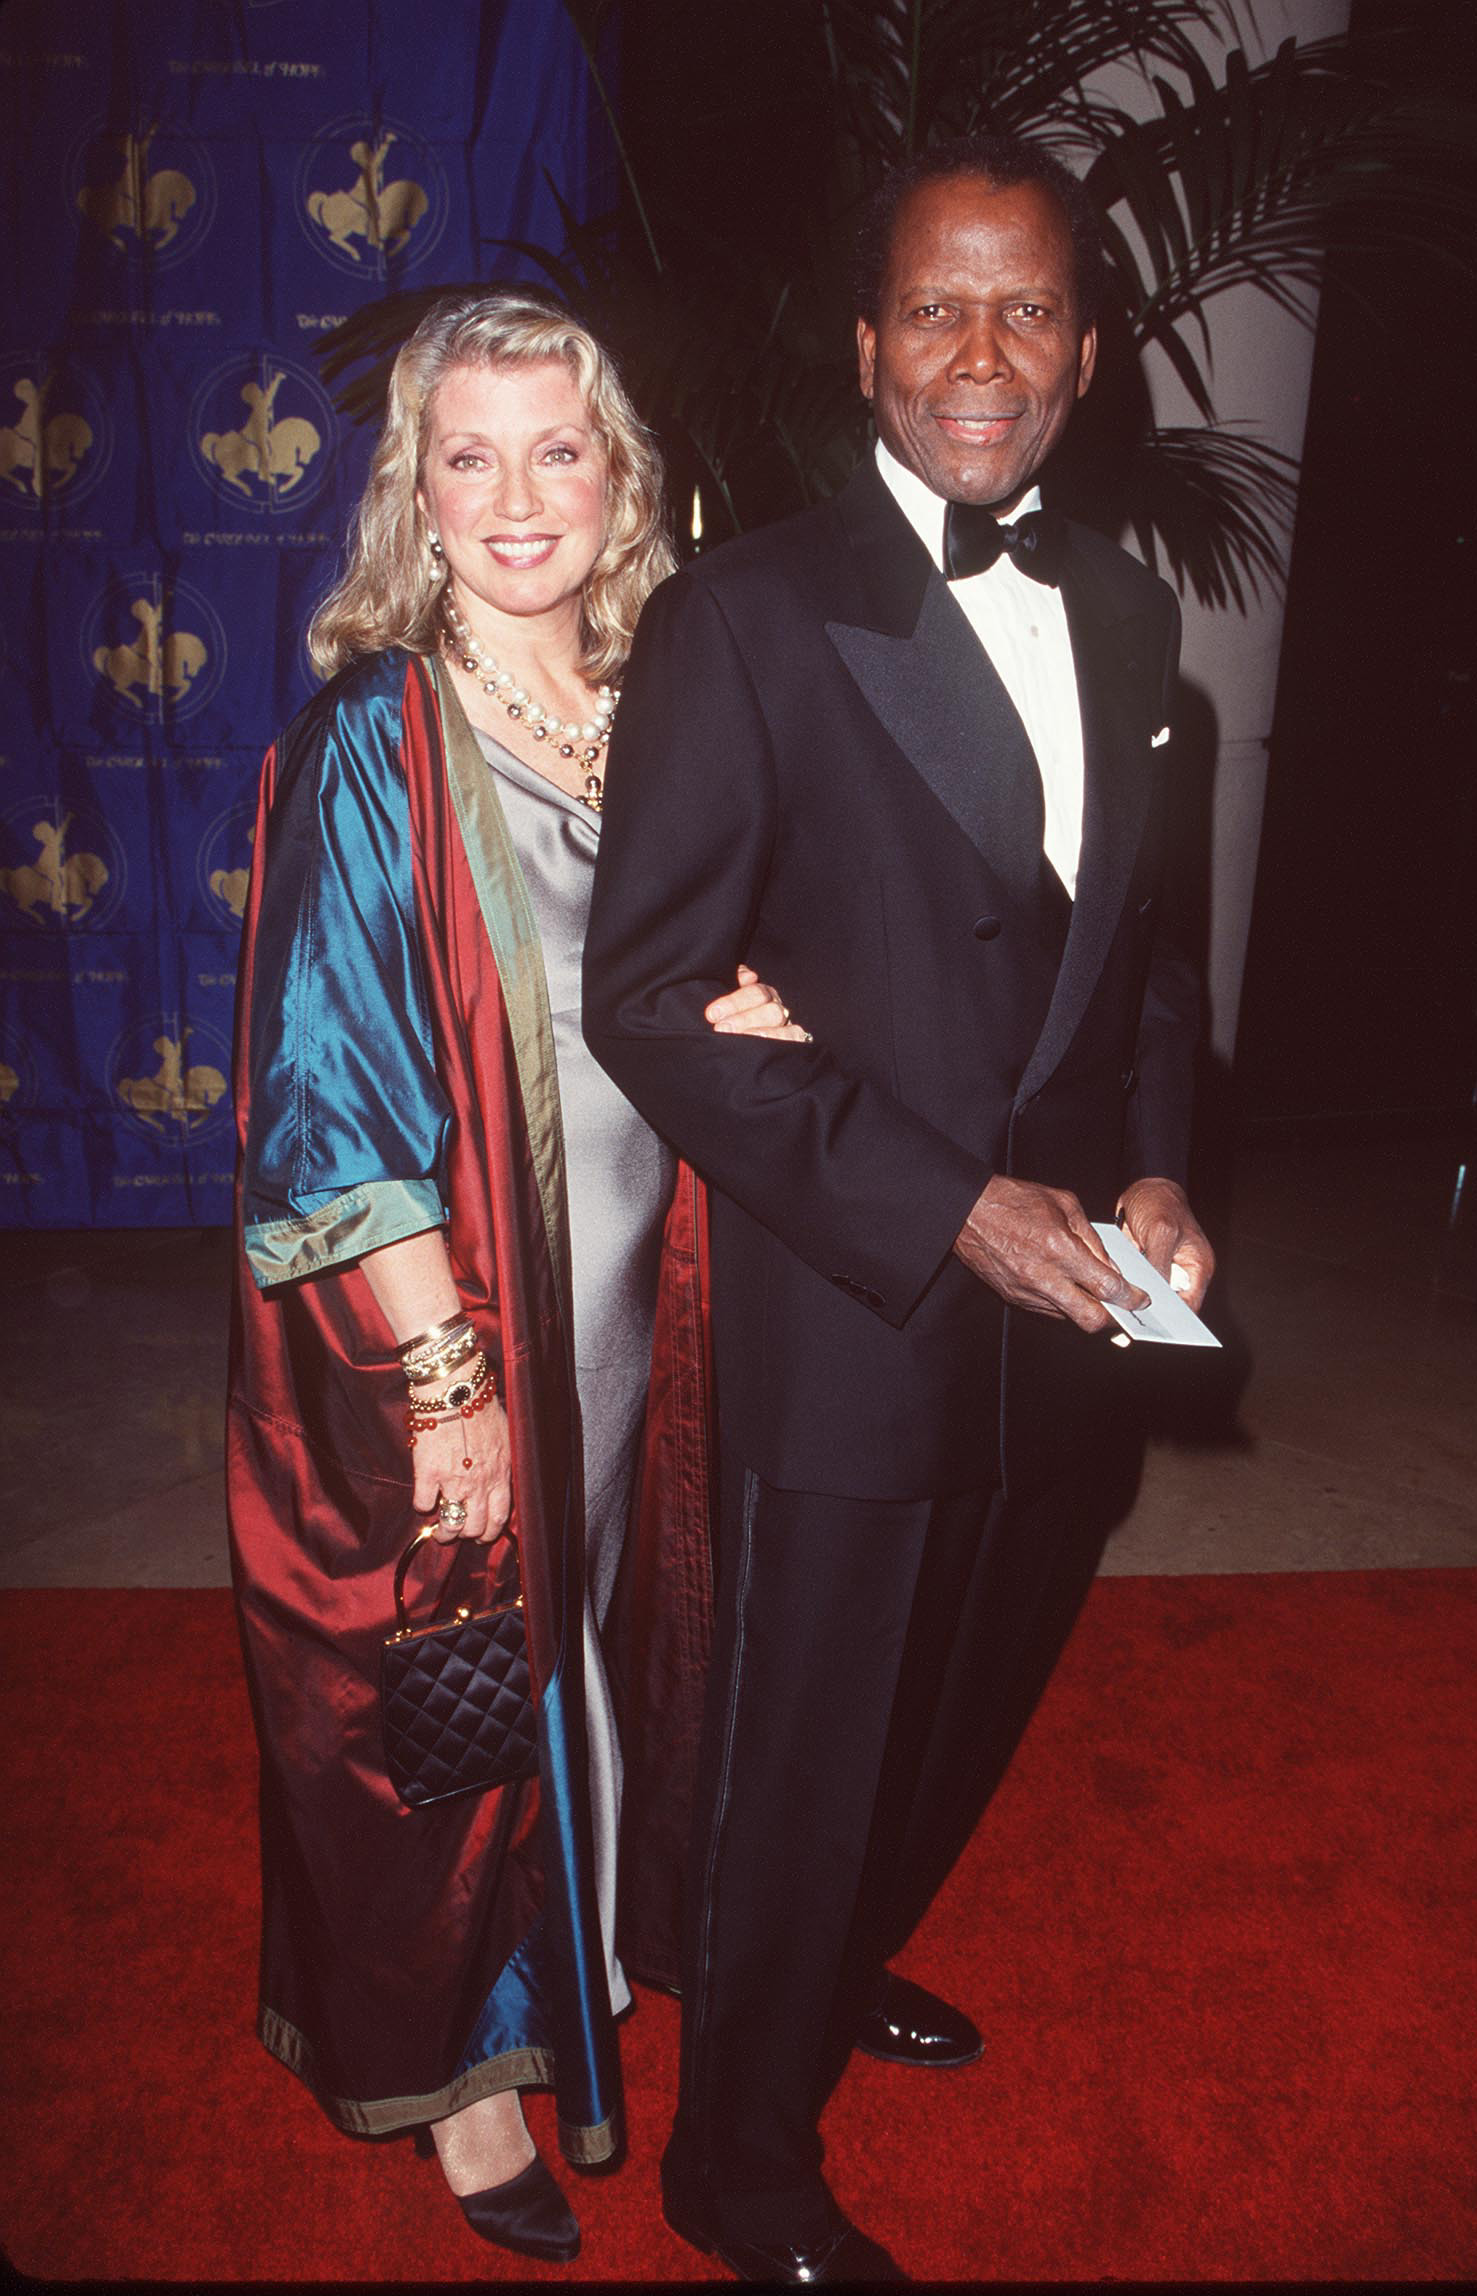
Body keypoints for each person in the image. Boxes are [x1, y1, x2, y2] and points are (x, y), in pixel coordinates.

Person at [583, 136, 1216, 2283]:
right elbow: (651, 994)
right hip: (857, 1285)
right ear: (866, 348)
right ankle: (737, 2151)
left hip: (1078, 1311)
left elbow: (1145, 965)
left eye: (1025, 306)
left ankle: (846, 1951)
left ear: (1087, 350)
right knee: (817, 1727)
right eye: (935, 307)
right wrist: (951, 1206)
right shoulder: (741, 612)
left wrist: (1154, 1170)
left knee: (964, 1694)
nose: (981, 350)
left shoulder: (1134, 610)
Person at [225, 290, 803, 2267]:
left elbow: (700, 976)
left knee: (588, 1638)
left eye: (559, 446)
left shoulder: (665, 700)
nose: (519, 493)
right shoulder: (375, 738)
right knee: (447, 1686)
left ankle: (568, 1959)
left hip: (637, 1291)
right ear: (419, 492)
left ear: (622, 472)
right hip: (447, 1321)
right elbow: (327, 1097)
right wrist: (449, 1378)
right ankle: (462, 2074)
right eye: (468, 454)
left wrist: (765, 1003)